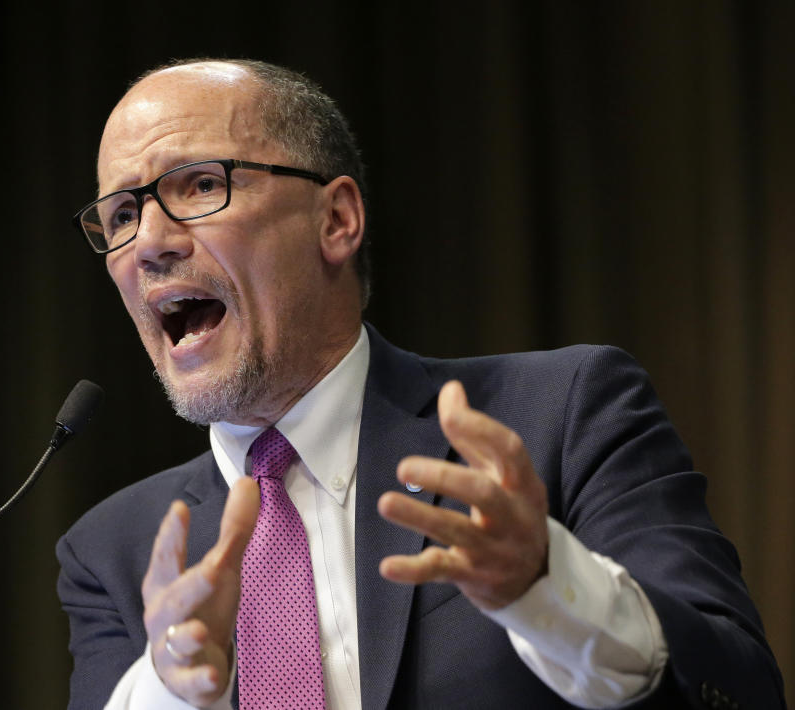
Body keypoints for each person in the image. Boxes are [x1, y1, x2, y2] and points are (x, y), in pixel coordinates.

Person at [56, 58, 785, 710]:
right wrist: (170, 690)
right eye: (121, 214)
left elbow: (740, 687)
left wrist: (548, 588)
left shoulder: (558, 415)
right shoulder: (114, 552)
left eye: (201, 185)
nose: (148, 242)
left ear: (336, 220)